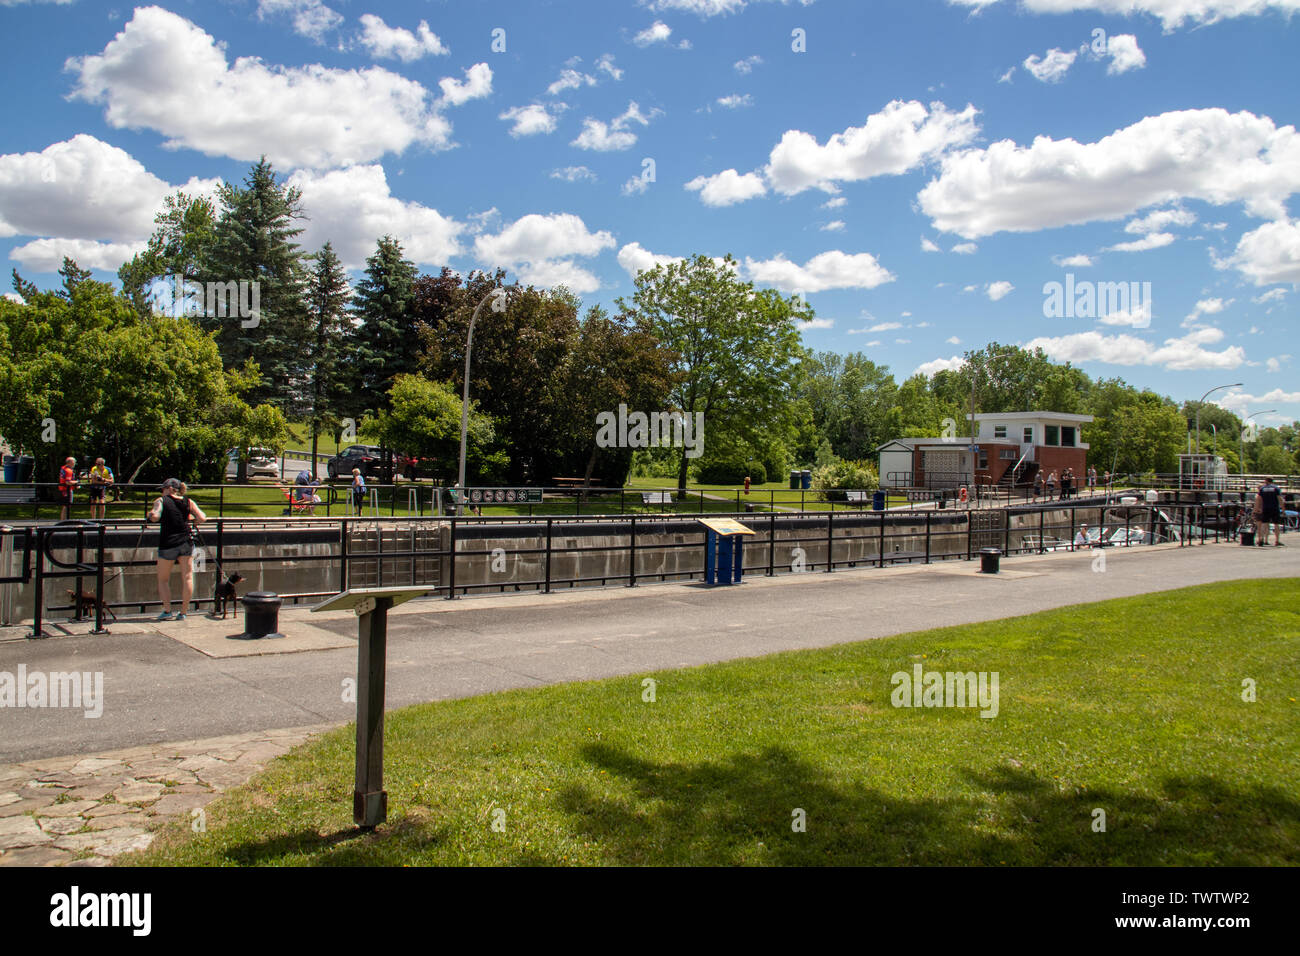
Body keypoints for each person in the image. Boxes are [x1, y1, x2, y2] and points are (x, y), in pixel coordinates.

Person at [148, 478, 206, 621]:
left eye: (163, 488)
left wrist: (149, 515)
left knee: (163, 579)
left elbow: (155, 516)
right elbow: (202, 518)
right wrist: (192, 520)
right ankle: (184, 612)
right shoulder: (188, 501)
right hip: (186, 541)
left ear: (169, 489)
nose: (162, 491)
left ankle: (167, 610)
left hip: (168, 542)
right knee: (187, 577)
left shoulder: (161, 501)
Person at [1256, 477, 1284, 547]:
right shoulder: (1276, 488)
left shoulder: (1262, 489)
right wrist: (1283, 508)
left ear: (1266, 481)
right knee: (1276, 524)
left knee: (1264, 524)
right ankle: (1277, 540)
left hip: (1265, 508)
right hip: (1275, 508)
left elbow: (1259, 499)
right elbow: (1280, 499)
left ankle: (1261, 539)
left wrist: (1258, 508)